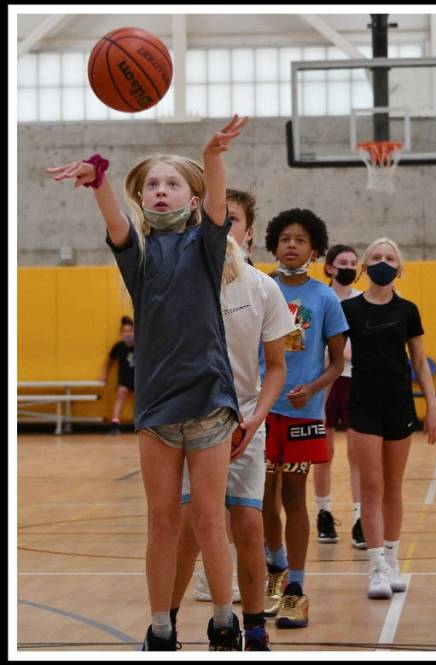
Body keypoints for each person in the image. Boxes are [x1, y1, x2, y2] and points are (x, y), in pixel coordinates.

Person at [47, 114, 252, 650]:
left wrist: (212, 156)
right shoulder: (136, 254)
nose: (161, 191)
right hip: (157, 407)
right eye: (153, 185)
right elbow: (115, 219)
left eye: (171, 183)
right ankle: (161, 627)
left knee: (210, 521)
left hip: (209, 401)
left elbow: (215, 202)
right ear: (145, 198)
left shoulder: (207, 245)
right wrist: (97, 178)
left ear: (191, 196)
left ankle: (225, 622)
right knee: (162, 522)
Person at [168, 188, 292, 651]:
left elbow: (276, 366)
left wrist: (256, 419)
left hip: (244, 418)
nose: (221, 227)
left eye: (231, 219)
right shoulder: (180, 279)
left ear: (250, 232)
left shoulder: (262, 286)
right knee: (190, 528)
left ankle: (255, 627)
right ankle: (168, 623)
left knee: (249, 524)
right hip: (193, 419)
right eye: (212, 219)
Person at [342, 237, 436, 599]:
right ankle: (376, 569)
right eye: (376, 257)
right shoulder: (349, 310)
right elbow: (334, 359)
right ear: (365, 266)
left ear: (399, 269)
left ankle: (392, 559)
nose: (383, 261)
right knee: (371, 486)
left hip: (400, 405)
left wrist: (432, 408)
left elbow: (419, 362)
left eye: (390, 258)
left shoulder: (408, 310)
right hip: (363, 406)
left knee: (393, 485)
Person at [261, 209, 348, 628]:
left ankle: (295, 586)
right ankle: (274, 571)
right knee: (261, 499)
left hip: (303, 413)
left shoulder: (325, 298)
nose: (291, 245)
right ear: (273, 246)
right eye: (285, 239)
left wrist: (312, 389)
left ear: (314, 250)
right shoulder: (258, 289)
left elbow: (337, 362)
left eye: (300, 239)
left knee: (294, 498)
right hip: (260, 412)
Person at [316, 243, 365, 547]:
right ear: (330, 267)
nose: (348, 266)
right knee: (324, 453)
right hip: (322, 382)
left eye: (352, 262)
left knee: (358, 454)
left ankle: (361, 517)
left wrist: (350, 353)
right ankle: (324, 514)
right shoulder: (321, 298)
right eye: (342, 262)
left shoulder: (362, 301)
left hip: (355, 381)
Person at [100, 315, 136, 435]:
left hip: (138, 379)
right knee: (121, 394)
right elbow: (108, 361)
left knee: (141, 399)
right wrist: (104, 375)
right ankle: (115, 423)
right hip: (124, 378)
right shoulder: (119, 347)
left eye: (131, 330)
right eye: (125, 331)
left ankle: (143, 424)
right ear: (121, 333)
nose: (128, 333)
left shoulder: (140, 345)